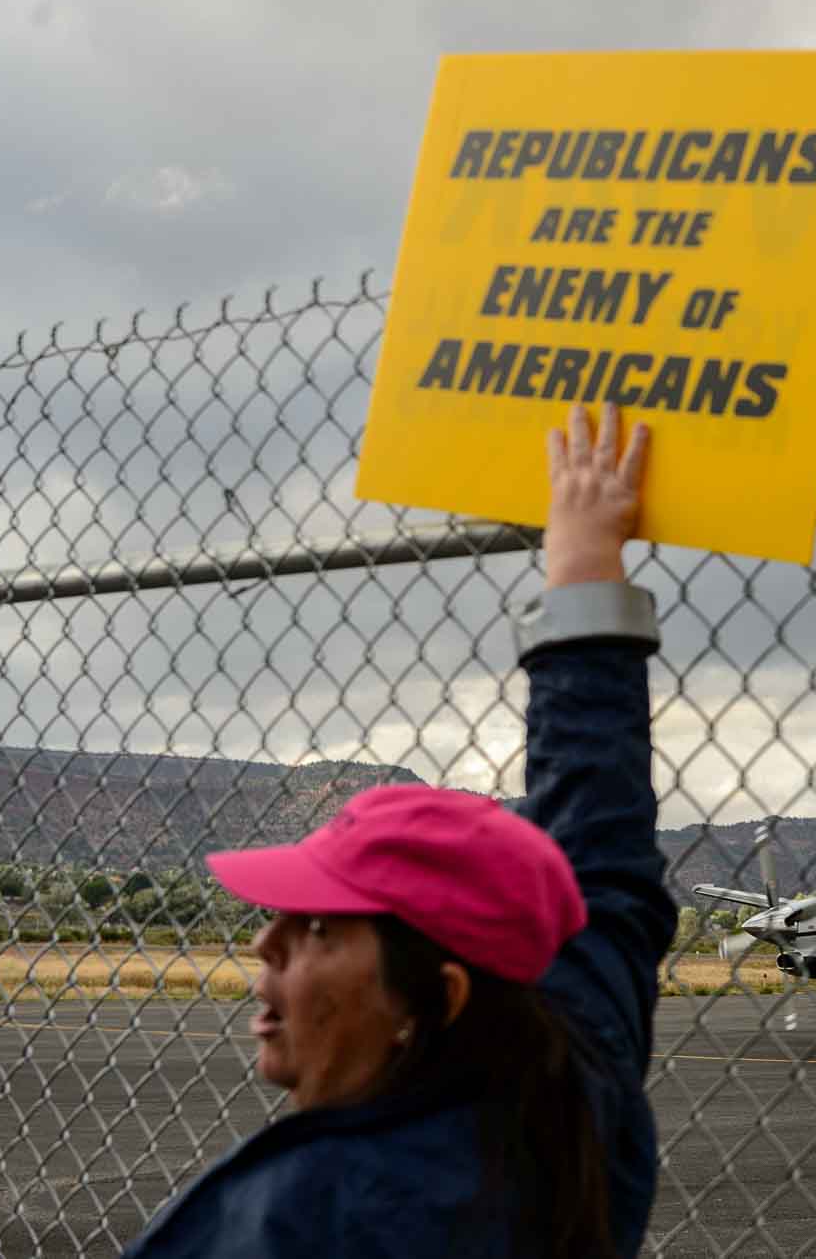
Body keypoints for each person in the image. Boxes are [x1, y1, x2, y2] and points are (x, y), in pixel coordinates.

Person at [123, 404, 678, 1257]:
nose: (267, 945)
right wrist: (583, 562)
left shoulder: (310, 1218)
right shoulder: (566, 1087)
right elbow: (604, 860)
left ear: (438, 999)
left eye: (315, 926)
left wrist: (582, 565)